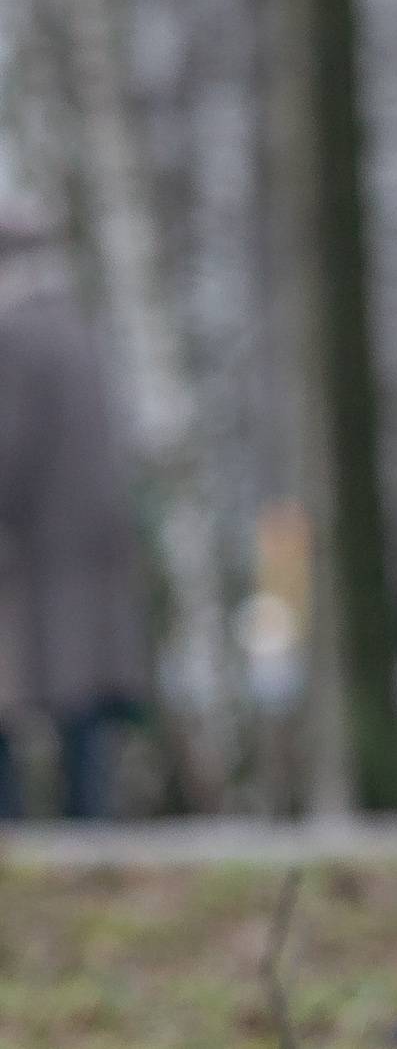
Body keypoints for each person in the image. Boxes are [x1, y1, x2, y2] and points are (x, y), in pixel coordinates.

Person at [0, 204, 149, 817]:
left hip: (33, 555)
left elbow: (10, 446)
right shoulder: (79, 326)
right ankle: (91, 830)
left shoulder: (14, 334)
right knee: (81, 705)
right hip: (90, 546)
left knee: (25, 696)